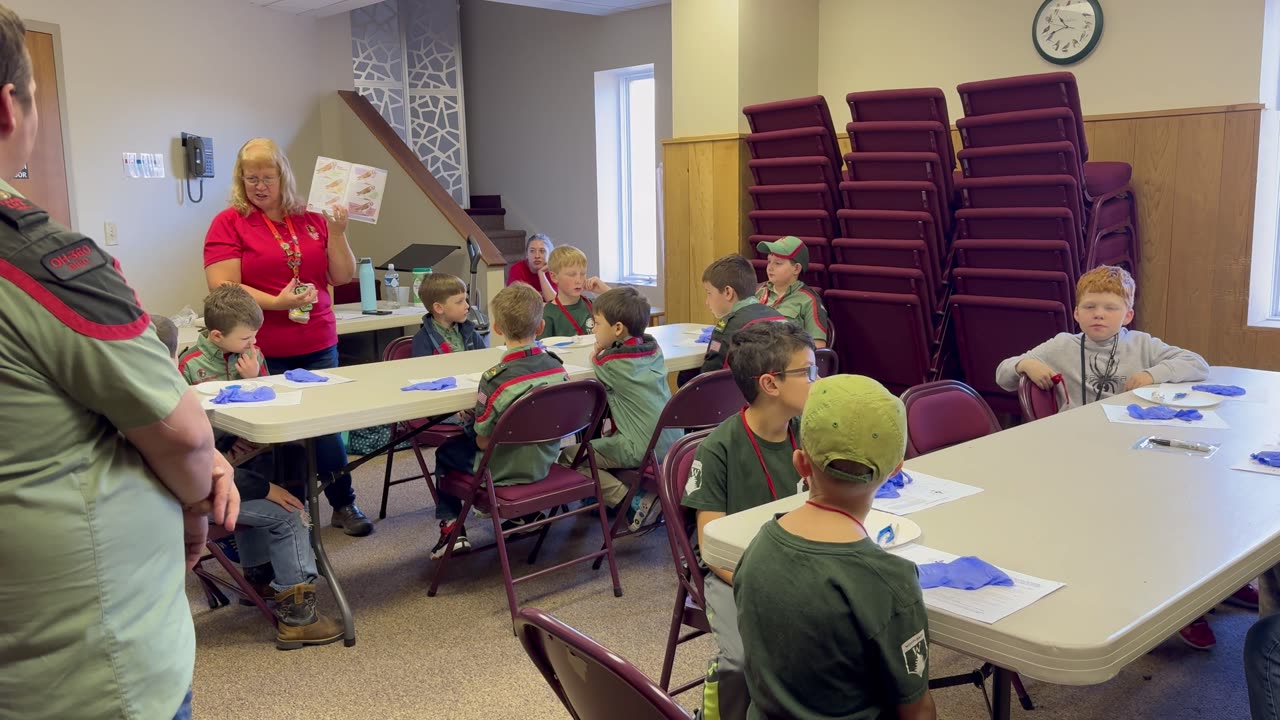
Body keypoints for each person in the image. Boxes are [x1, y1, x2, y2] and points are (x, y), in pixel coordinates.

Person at [0, 10, 238, 717]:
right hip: (74, 680)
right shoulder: (41, 264)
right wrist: (198, 493)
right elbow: (184, 435)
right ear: (7, 110)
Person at [995, 264, 1249, 650]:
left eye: (1111, 308)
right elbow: (1003, 373)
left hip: (1136, 445)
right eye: (1091, 306)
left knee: (1182, 504)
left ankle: (1195, 595)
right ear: (1077, 313)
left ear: (1127, 314)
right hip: (1078, 455)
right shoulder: (1062, 345)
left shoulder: (1141, 344)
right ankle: (1144, 598)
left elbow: (1196, 363)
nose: (1100, 315)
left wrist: (1152, 373)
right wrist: (1024, 363)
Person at [734, 375, 936, 720]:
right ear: (894, 473)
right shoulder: (890, 582)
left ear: (800, 463)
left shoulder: (757, 549)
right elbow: (916, 711)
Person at [204, 137, 372, 536]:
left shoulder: (311, 217)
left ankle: (343, 502)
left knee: (324, 428)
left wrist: (337, 231)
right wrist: (277, 303)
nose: (259, 186)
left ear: (284, 176)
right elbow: (222, 285)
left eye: (267, 177)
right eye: (250, 178)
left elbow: (342, 275)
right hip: (258, 351)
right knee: (269, 436)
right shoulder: (229, 222)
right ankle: (288, 515)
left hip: (317, 343)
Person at [156, 317, 343, 650]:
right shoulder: (170, 402)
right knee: (290, 511)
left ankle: (258, 578)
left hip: (158, 501)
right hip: (186, 500)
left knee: (259, 490)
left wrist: (224, 449)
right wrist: (266, 489)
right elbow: (202, 474)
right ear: (170, 358)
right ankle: (298, 618)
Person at [681, 321, 817, 720]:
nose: (818, 380)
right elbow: (712, 549)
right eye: (807, 372)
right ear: (770, 385)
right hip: (735, 573)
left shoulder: (808, 433)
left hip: (798, 561)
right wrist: (767, 582)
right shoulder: (719, 448)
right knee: (742, 661)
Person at [431, 282, 569, 558]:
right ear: (541, 327)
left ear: (497, 329)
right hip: (544, 462)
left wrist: (472, 418)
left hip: (503, 471)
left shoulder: (496, 379)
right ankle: (526, 515)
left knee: (446, 453)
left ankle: (452, 530)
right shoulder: (558, 369)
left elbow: (484, 440)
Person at [560, 287, 679, 526]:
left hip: (640, 447)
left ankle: (628, 499)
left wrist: (595, 352)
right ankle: (642, 495)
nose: (593, 329)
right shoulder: (654, 349)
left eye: (597, 323)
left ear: (617, 328)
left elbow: (596, 361)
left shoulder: (610, 362)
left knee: (569, 457)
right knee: (606, 439)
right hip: (673, 440)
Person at [677, 254, 785, 386]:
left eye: (709, 293)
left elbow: (709, 378)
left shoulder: (728, 327)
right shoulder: (778, 316)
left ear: (728, 292)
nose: (707, 302)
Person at [179, 283, 267, 384]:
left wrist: (253, 377)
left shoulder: (254, 355)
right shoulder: (188, 363)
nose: (254, 341)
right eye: (245, 338)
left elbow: (272, 396)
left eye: (255, 335)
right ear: (217, 336)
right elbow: (179, 399)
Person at [754, 236, 830, 348]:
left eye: (778, 263)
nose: (770, 268)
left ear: (796, 269)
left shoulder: (809, 300)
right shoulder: (758, 292)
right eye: (769, 261)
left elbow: (818, 346)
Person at [412, 272, 487, 357]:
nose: (467, 305)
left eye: (466, 299)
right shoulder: (422, 340)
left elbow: (484, 360)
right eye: (459, 302)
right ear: (438, 308)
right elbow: (424, 369)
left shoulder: (471, 334)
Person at [539, 245, 599, 338]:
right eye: (572, 274)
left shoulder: (593, 305)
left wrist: (603, 290)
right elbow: (545, 350)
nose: (579, 280)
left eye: (583, 274)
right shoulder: (548, 314)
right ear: (554, 277)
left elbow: (623, 310)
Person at [506, 231, 557, 301]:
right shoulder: (517, 269)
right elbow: (516, 302)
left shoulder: (554, 271)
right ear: (527, 254)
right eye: (532, 251)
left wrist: (541, 274)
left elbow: (555, 303)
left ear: (550, 254)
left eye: (542, 251)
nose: (537, 256)